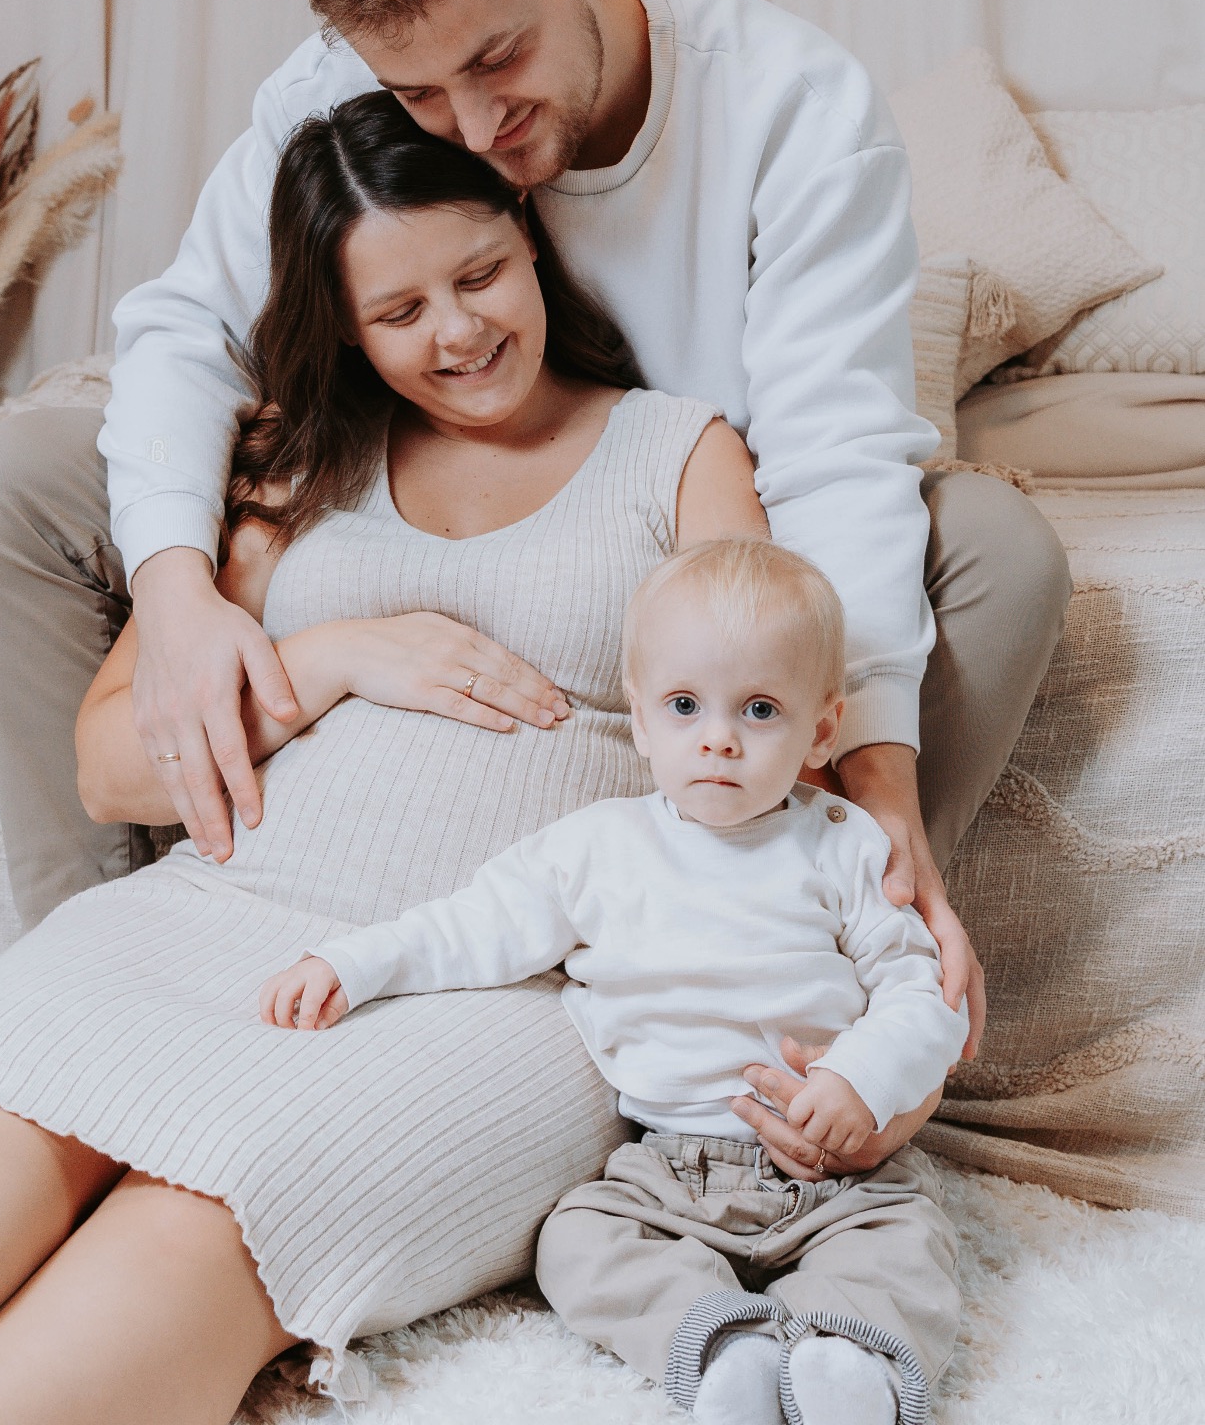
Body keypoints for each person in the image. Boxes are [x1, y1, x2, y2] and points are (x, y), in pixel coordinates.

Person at [0, 0, 1071, 1158]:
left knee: (993, 547)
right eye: (420, 96)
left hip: (697, 525)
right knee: (17, 480)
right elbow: (188, 332)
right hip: (401, 462)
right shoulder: (344, 81)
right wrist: (178, 595)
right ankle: (89, 960)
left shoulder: (791, 104)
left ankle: (817, 967)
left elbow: (835, 456)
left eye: (499, 60)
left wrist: (875, 782)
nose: (470, 125)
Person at [0, 95, 814, 1419]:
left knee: (178, 1237)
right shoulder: (301, 467)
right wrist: (334, 659)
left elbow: (776, 734)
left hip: (491, 995)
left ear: (529, 236)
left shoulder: (677, 452)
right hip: (193, 928)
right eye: (399, 310)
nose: (458, 331)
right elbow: (108, 769)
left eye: (478, 275)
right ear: (346, 328)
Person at [261, 537, 967, 1425]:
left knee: (906, 1246)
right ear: (639, 720)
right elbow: (470, 925)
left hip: (842, 1177)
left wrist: (857, 1079)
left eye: (758, 709)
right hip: (666, 1170)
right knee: (576, 1241)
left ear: (821, 730)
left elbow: (922, 992)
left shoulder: (844, 843)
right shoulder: (597, 848)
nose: (717, 737)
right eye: (684, 705)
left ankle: (848, 1368)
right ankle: (725, 1351)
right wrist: (351, 963)